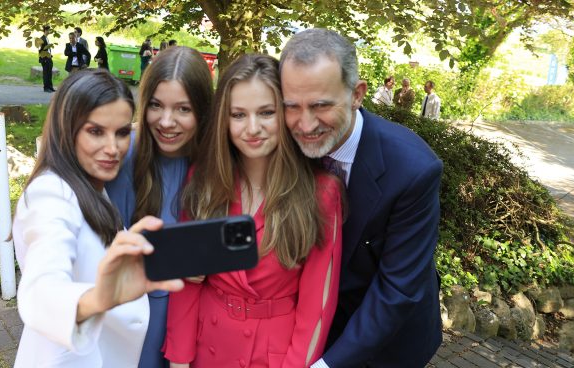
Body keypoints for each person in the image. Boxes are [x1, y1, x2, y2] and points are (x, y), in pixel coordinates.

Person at [164, 54, 343, 368]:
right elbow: (186, 283)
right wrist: (179, 360)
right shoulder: (204, 180)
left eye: (266, 112)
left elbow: (317, 308)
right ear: (225, 118)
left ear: (285, 114)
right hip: (207, 346)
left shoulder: (320, 193)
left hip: (272, 354)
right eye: (238, 114)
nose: (252, 128)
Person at [280, 28, 443, 367]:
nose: (304, 124)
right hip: (309, 333)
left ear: (357, 94)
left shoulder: (413, 169)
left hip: (387, 344)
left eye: (321, 105)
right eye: (292, 106)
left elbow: (396, 290)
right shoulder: (285, 147)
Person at [12, 68, 184, 367]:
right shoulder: (52, 195)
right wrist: (96, 300)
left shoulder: (91, 187)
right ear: (67, 128)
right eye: (95, 131)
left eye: (121, 133)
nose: (113, 148)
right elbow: (40, 289)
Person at [105, 45, 213, 368]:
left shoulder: (217, 161)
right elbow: (106, 247)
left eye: (183, 109)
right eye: (156, 106)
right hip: (141, 317)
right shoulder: (125, 156)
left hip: (201, 319)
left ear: (203, 110)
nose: (167, 122)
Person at [36, 25, 55, 92]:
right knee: (46, 73)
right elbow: (40, 50)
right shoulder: (42, 39)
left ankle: (50, 87)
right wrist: (44, 58)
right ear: (46, 30)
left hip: (49, 58)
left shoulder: (46, 38)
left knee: (49, 73)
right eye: (49, 30)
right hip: (45, 59)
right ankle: (46, 88)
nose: (49, 31)